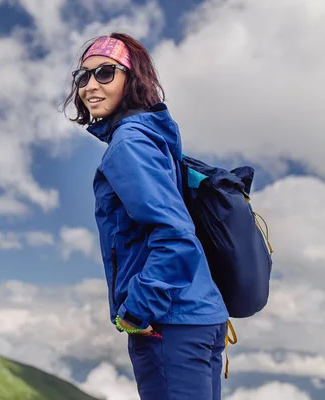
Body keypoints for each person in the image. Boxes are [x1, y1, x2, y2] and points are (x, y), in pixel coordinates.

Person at [62, 33, 230, 399]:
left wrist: (137, 312)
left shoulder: (129, 143)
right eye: (83, 76)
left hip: (170, 322)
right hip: (199, 314)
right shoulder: (154, 135)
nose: (90, 86)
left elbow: (175, 234)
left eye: (105, 73)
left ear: (131, 78)